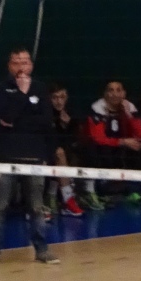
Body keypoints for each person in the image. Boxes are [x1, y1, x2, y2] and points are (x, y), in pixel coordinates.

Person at [0, 48, 58, 268]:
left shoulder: (41, 88)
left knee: (36, 207)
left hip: (34, 157)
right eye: (16, 62)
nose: (21, 67)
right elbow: (5, 117)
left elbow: (46, 121)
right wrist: (23, 95)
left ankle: (42, 250)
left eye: (25, 62)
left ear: (31, 65)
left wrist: (17, 121)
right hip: (6, 156)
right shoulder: (0, 88)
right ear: (9, 66)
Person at [86, 81, 141, 202]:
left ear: (124, 93)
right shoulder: (97, 109)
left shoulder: (129, 107)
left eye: (118, 90)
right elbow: (98, 138)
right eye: (111, 90)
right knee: (98, 149)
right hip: (102, 146)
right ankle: (101, 192)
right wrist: (122, 142)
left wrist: (129, 115)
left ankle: (134, 190)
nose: (115, 94)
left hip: (122, 145)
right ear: (105, 94)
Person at [47, 85, 89, 214]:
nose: (59, 101)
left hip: (67, 152)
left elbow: (75, 139)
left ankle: (53, 196)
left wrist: (68, 125)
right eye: (55, 98)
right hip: (46, 151)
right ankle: (67, 199)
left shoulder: (71, 114)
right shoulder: (45, 114)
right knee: (60, 153)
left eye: (62, 97)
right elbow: (50, 140)